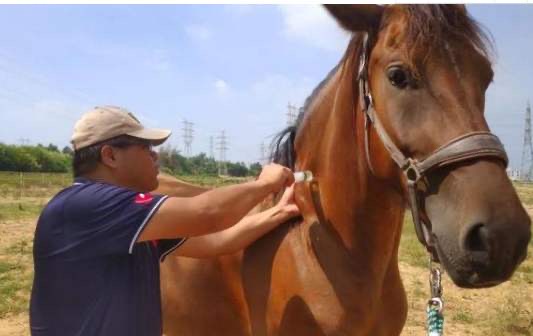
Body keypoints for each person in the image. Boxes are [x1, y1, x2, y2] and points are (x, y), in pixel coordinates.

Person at [29, 105, 300, 336]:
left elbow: (218, 242)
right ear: (110, 155)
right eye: (146, 147)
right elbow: (207, 215)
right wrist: (265, 183)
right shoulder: (86, 205)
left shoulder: (127, 221)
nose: (155, 155)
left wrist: (279, 212)